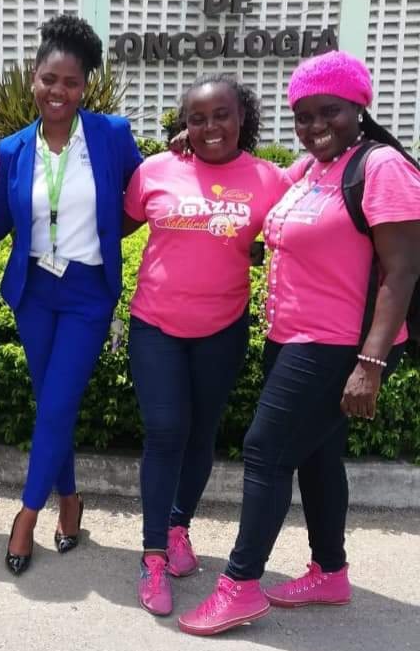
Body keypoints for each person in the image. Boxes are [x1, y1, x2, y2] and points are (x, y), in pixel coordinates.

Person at [179, 50, 420, 635]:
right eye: (303, 116)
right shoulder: (313, 171)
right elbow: (259, 191)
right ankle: (330, 572)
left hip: (335, 345)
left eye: (328, 112)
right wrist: (191, 154)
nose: (315, 128)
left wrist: (371, 362)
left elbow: (404, 271)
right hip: (290, 338)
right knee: (315, 456)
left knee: (265, 451)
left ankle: (239, 585)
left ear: (358, 108)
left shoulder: (381, 167)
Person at [122, 76, 290, 615]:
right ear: (183, 125)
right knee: (167, 430)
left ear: (243, 117)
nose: (210, 127)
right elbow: (118, 226)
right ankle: (152, 558)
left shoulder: (270, 180)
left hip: (223, 328)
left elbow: (310, 217)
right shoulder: (155, 170)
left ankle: (177, 527)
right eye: (197, 118)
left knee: (202, 434)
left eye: (221, 115)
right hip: (156, 325)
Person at [0, 15, 142, 575]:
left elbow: (145, 197)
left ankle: (26, 515)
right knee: (54, 400)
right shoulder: (11, 149)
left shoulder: (112, 136)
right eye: (50, 79)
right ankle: (70, 500)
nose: (59, 92)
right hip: (33, 290)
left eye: (71, 83)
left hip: (86, 292)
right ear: (34, 77)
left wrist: (105, 235)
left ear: (86, 87)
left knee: (56, 403)